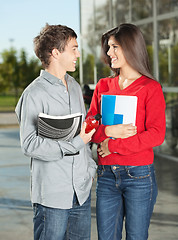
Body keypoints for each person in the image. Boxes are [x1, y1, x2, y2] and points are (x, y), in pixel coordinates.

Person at [15, 23, 97, 240]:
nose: (78, 54)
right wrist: (75, 143)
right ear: (56, 53)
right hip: (52, 196)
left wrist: (89, 169)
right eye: (74, 48)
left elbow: (84, 135)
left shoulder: (76, 87)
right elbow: (29, 144)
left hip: (81, 192)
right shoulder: (33, 94)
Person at [86, 23, 166, 240]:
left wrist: (112, 144)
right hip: (106, 176)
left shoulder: (150, 88)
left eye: (115, 47)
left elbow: (157, 134)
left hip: (139, 176)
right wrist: (108, 130)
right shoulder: (103, 86)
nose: (109, 52)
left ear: (130, 47)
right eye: (109, 48)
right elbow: (88, 127)